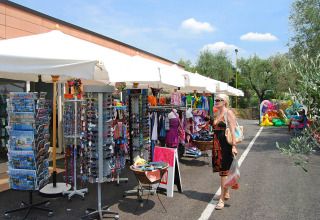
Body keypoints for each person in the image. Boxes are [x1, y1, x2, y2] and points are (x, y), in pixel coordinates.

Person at [209, 94, 238, 210]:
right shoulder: (218, 113)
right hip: (217, 144)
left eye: (218, 100)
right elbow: (217, 127)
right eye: (215, 100)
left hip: (225, 145)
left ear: (224, 101)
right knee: (222, 170)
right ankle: (225, 194)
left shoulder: (228, 113)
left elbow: (232, 130)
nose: (215, 102)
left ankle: (222, 199)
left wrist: (234, 146)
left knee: (224, 172)